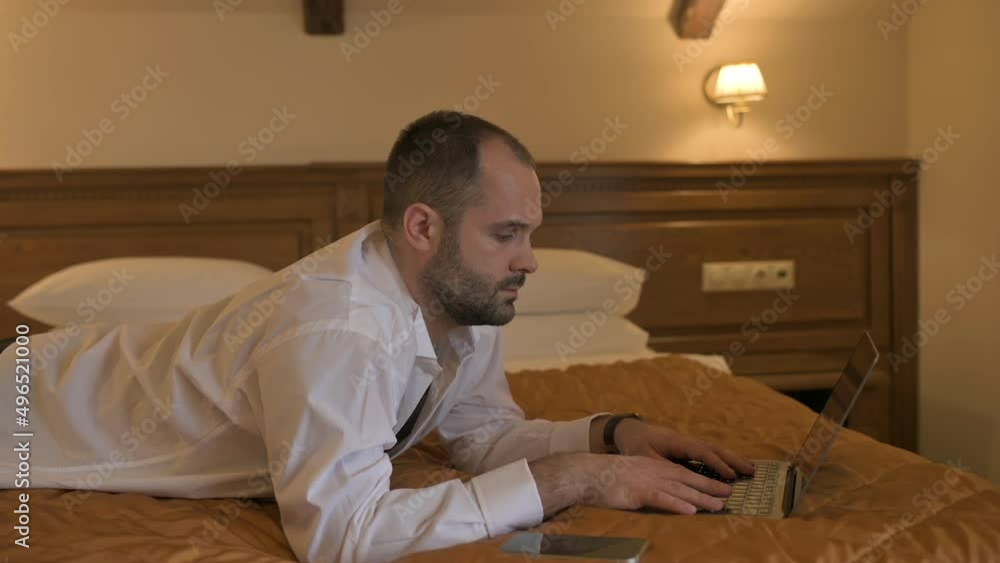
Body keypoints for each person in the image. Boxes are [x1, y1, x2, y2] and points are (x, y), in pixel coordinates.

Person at [0, 111, 754, 563]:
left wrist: (612, 436)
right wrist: (571, 482)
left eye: (531, 233)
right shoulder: (336, 328)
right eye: (507, 234)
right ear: (424, 226)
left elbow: (480, 436)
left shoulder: (465, 295)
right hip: (29, 405)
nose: (529, 259)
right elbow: (340, 535)